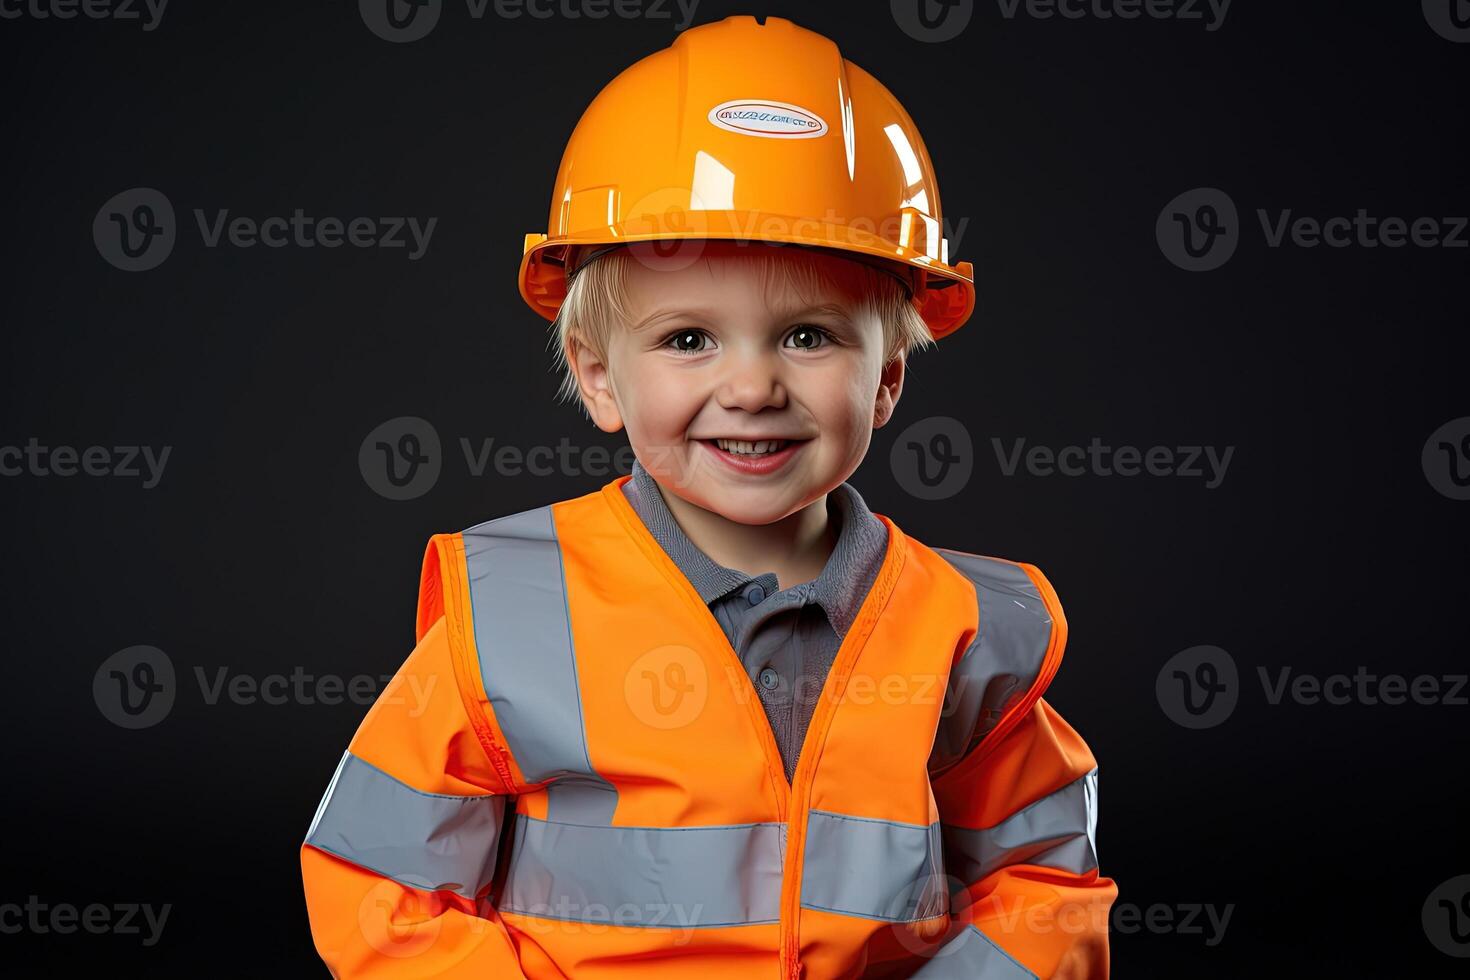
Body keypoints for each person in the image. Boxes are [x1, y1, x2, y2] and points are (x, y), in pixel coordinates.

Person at [301, 15, 1115, 978]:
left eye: (809, 336)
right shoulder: (514, 613)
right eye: (689, 339)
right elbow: (378, 884)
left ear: (888, 376)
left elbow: (1041, 890)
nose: (753, 388)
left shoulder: (967, 630)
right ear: (599, 374)